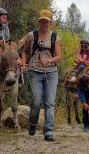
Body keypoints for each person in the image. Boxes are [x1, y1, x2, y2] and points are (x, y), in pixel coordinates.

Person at [22, 9, 61, 142]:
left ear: (50, 22)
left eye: (47, 21)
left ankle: (49, 131)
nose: (44, 23)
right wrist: (23, 64)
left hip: (51, 73)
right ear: (39, 21)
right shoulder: (31, 36)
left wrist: (48, 60)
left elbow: (58, 56)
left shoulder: (55, 37)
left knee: (49, 103)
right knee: (36, 101)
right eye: (42, 20)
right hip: (34, 72)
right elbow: (24, 52)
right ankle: (33, 123)